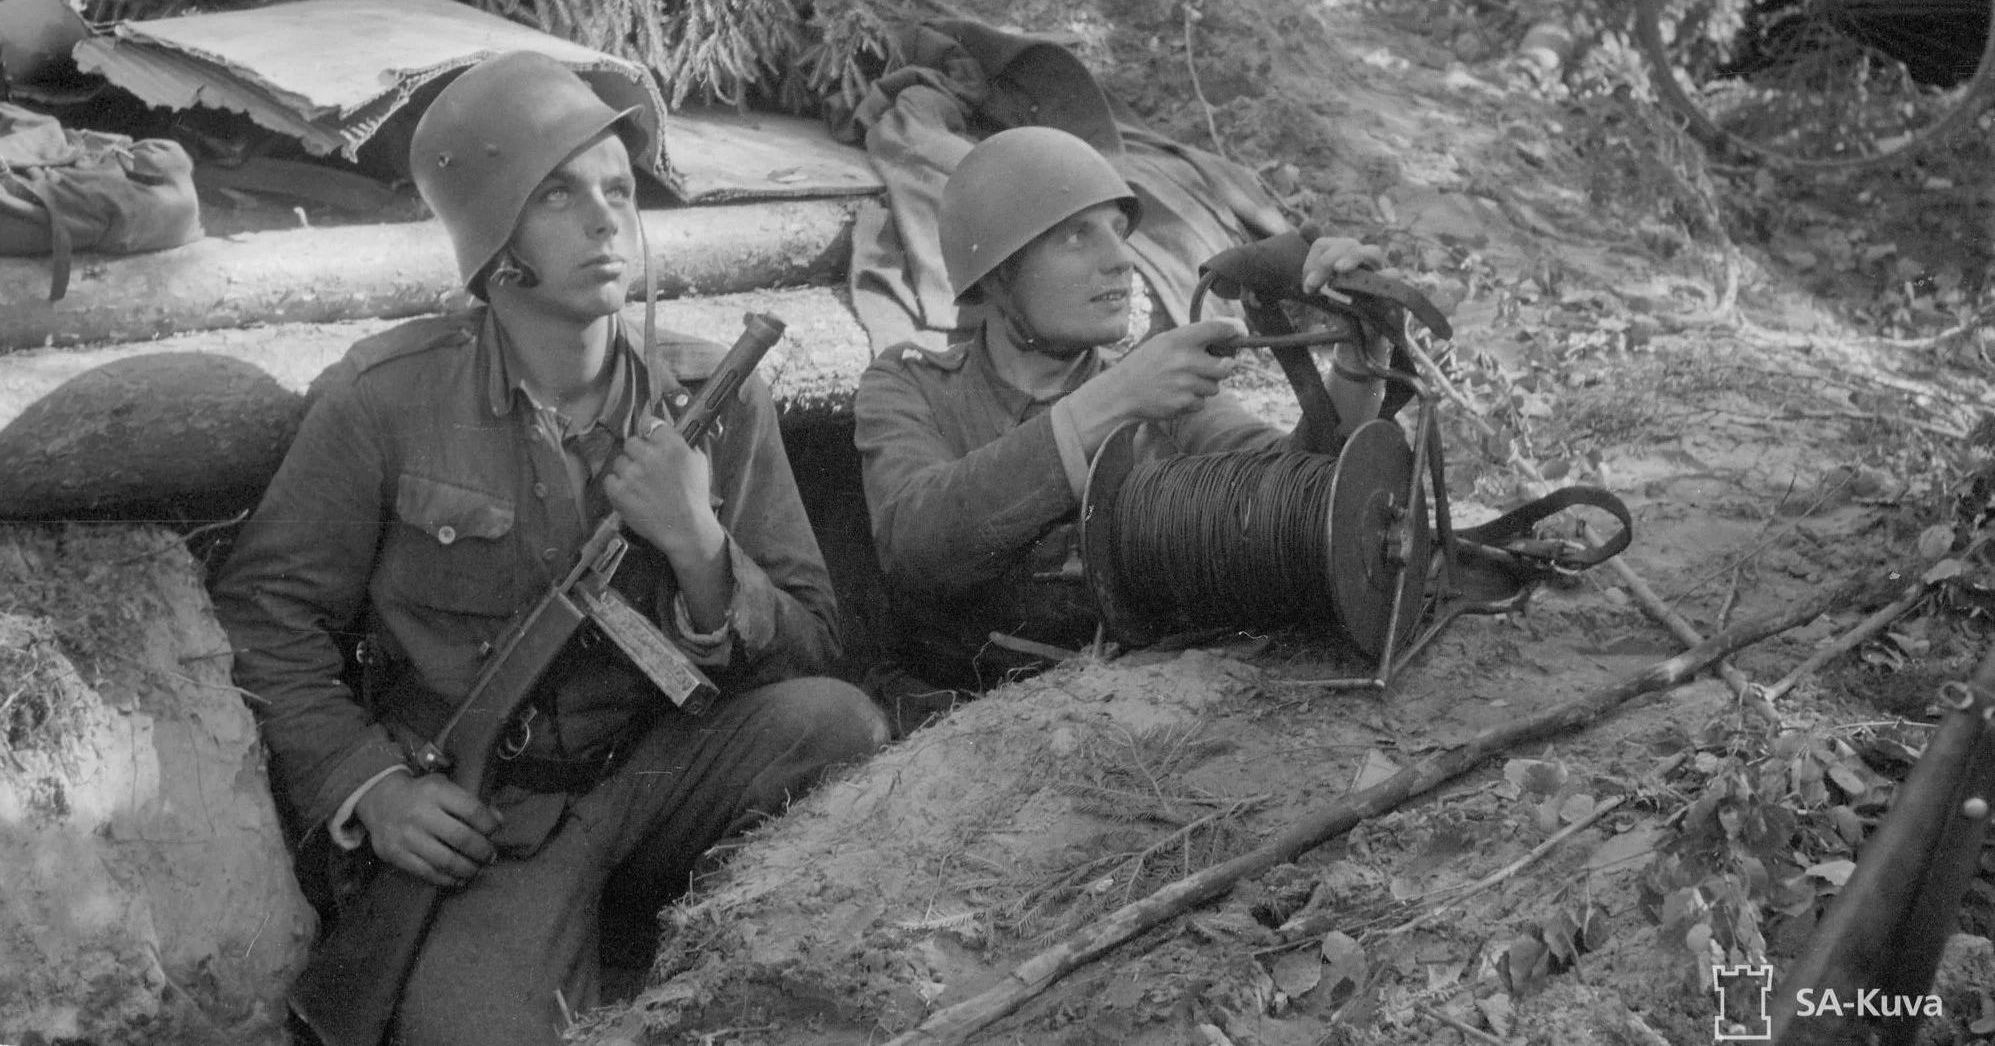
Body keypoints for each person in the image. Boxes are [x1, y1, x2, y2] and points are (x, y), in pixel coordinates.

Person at [213, 51, 887, 1046]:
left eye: (618, 188)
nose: (607, 217)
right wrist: (376, 787)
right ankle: (533, 936)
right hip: (500, 817)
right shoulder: (384, 401)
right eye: (561, 194)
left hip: (664, 770)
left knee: (839, 725)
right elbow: (267, 611)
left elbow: (815, 639)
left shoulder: (715, 397)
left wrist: (700, 545)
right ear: (496, 240)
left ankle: (678, 938)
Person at [854, 125, 1387, 699]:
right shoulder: (910, 385)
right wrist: (1113, 402)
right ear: (998, 274)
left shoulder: (1156, 386)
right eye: (1077, 238)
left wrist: (1357, 361)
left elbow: (1290, 494)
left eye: (1117, 232)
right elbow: (917, 544)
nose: (1121, 261)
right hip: (939, 722)